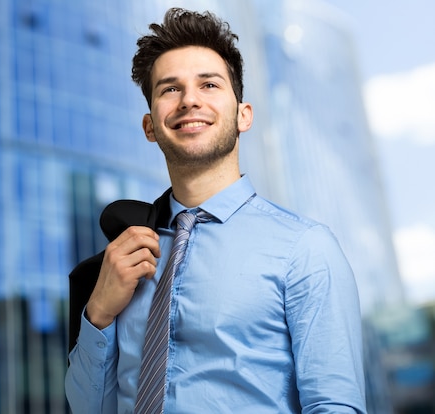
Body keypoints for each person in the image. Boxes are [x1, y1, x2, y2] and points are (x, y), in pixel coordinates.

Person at [65, 7, 366, 414]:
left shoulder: (305, 250)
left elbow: (334, 407)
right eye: (170, 89)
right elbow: (89, 409)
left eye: (208, 84)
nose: (190, 100)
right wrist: (98, 313)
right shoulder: (124, 260)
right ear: (150, 125)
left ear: (243, 115)